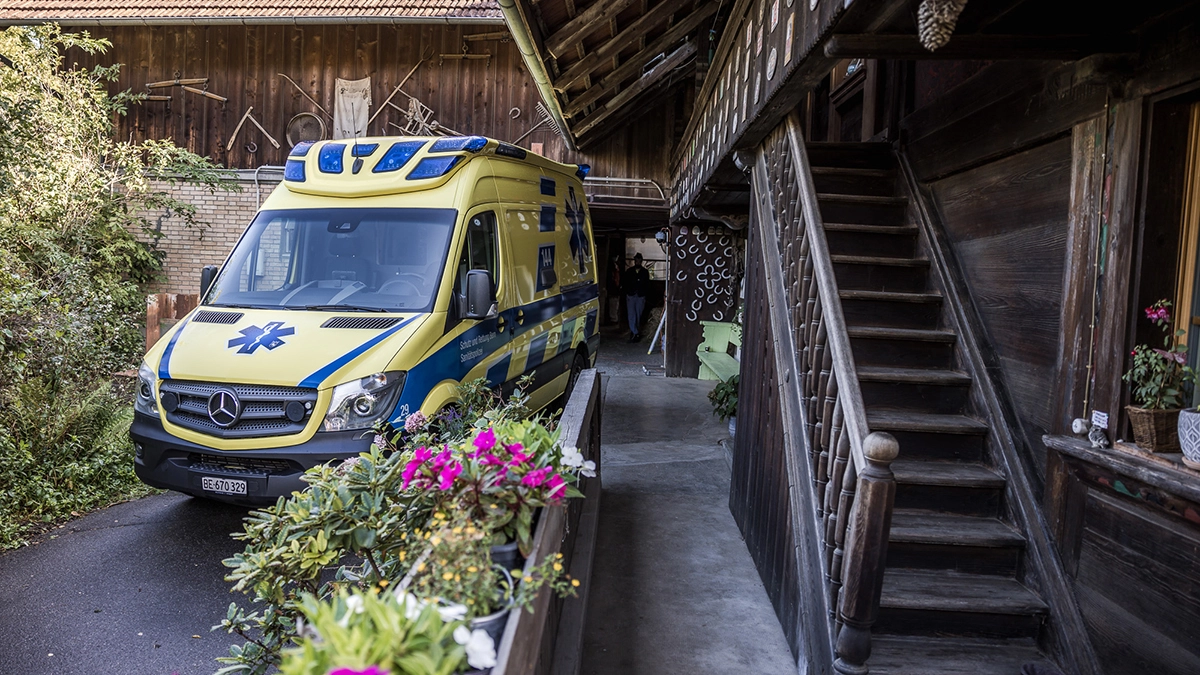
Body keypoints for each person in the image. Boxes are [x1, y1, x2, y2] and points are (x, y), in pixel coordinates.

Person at [622, 252, 650, 342]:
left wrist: (645, 294)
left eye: (639, 260)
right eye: (636, 260)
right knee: (631, 314)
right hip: (631, 295)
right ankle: (635, 332)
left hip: (640, 295)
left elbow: (647, 284)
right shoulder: (629, 272)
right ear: (635, 261)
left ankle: (635, 331)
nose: (637, 262)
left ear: (641, 261)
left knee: (638, 314)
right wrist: (628, 292)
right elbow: (625, 283)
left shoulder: (645, 272)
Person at [605, 253, 622, 324]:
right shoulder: (610, 267)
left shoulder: (616, 266)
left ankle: (615, 318)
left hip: (616, 288)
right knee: (612, 304)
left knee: (615, 304)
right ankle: (613, 319)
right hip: (612, 289)